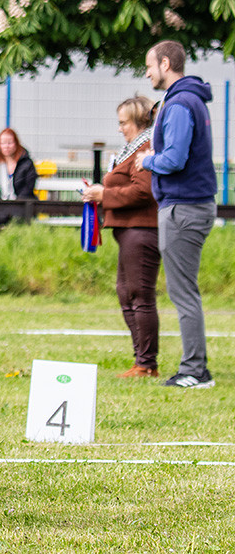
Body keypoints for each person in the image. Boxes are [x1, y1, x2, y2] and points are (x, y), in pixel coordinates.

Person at [134, 41, 217, 389]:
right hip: (188, 205)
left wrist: (147, 160)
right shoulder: (188, 99)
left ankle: (195, 370)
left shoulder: (181, 102)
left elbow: (175, 159)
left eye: (150, 66)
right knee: (184, 290)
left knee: (183, 292)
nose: (148, 73)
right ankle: (195, 367)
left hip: (183, 207)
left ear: (166, 64)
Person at [82, 96, 160, 377]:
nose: (120, 128)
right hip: (128, 231)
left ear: (138, 121)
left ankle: (146, 363)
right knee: (126, 293)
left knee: (139, 295)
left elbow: (143, 191)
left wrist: (105, 194)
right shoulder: (131, 150)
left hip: (142, 230)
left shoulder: (146, 149)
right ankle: (141, 359)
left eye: (123, 122)